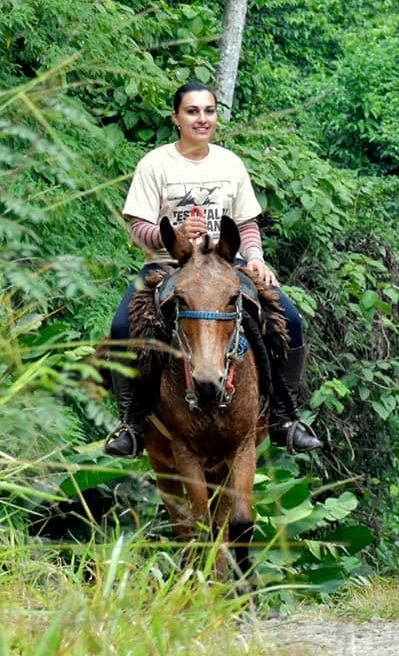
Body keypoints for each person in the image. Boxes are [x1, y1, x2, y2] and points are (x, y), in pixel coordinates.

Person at [103, 80, 321, 457]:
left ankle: (285, 418)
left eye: (209, 111)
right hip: (167, 266)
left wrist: (255, 257)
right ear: (176, 118)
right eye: (192, 111)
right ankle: (131, 424)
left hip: (227, 265)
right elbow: (137, 227)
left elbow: (247, 224)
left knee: (291, 319)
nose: (202, 119)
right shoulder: (155, 164)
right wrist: (172, 234)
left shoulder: (229, 163)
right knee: (123, 327)